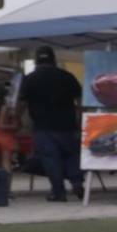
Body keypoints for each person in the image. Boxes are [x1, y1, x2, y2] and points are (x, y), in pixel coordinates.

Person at [18, 47, 84, 202]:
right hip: (67, 124)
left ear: (36, 61)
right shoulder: (67, 76)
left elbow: (22, 103)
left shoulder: (30, 79)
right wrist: (81, 120)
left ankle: (58, 192)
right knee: (71, 155)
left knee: (51, 159)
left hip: (43, 126)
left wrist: (17, 118)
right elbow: (80, 100)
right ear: (54, 60)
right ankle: (77, 182)